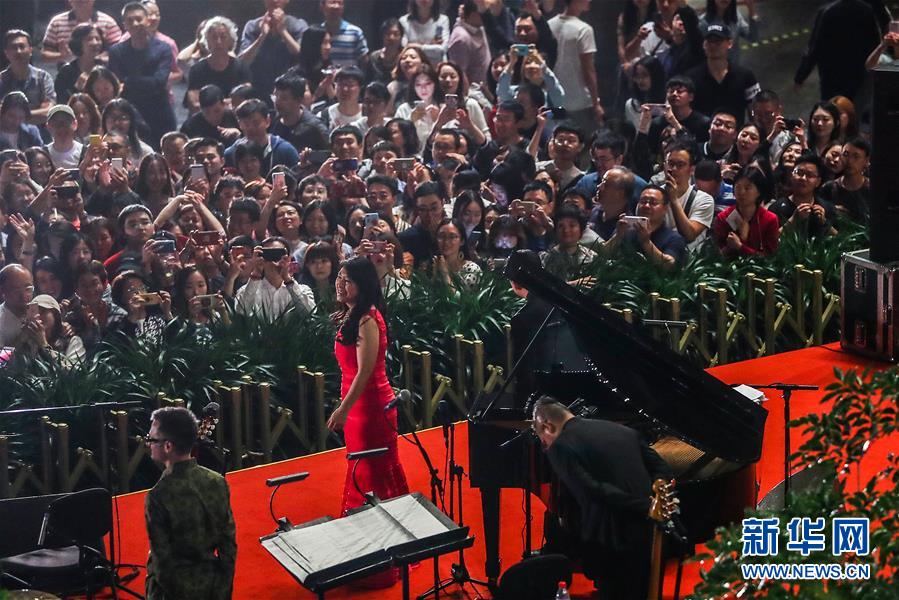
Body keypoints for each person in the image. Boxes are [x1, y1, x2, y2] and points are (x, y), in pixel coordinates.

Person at [531, 396, 672, 600]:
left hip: (609, 538)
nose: (546, 446)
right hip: (649, 531)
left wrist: (644, 505)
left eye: (543, 441)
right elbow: (661, 468)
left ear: (547, 427)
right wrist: (656, 500)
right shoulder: (623, 431)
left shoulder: (560, 446)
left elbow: (592, 491)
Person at [326, 258, 409, 551]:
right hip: (357, 406)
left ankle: (386, 546)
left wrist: (343, 409)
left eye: (347, 280)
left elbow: (365, 372)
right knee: (361, 467)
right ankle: (365, 543)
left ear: (363, 285)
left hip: (372, 408)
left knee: (373, 471)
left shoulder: (367, 320)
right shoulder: (351, 315)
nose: (340, 284)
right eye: (339, 277)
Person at [145, 406, 237, 600]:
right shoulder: (217, 481)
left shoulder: (158, 496)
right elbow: (228, 546)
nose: (148, 443)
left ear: (168, 446)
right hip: (213, 583)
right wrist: (222, 590)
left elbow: (162, 564)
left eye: (151, 439)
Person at [107, 2, 176, 148]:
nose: (135, 24)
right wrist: (146, 82)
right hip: (128, 113)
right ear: (124, 25)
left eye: (139, 19)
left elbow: (160, 82)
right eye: (130, 20)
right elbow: (116, 85)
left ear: (148, 20)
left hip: (159, 112)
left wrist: (128, 81)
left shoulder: (163, 49)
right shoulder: (116, 51)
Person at [794, 0, 880, 101]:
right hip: (860, 75)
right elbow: (876, 44)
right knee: (859, 105)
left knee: (832, 107)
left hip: (832, 76)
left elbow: (815, 47)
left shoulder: (827, 12)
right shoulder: (866, 10)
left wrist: (801, 76)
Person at [685, 24, 760, 124]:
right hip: (701, 132)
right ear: (704, 44)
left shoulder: (745, 76)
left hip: (735, 132)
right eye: (709, 41)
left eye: (718, 41)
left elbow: (755, 110)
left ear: (729, 44)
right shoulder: (690, 78)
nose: (713, 45)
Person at [549, 0, 604, 135]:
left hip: (553, 98)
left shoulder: (549, 25)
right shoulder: (583, 29)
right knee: (583, 140)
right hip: (579, 101)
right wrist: (596, 103)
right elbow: (588, 69)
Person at [239, 0, 307, 98]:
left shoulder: (298, 24)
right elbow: (242, 61)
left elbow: (304, 56)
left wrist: (283, 31)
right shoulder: (252, 26)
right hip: (258, 90)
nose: (275, 1)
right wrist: (262, 36)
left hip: (289, 91)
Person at [185, 17, 251, 113]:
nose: (218, 42)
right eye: (214, 37)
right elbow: (194, 104)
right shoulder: (196, 70)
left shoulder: (241, 67)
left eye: (223, 37)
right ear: (207, 41)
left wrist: (213, 105)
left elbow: (246, 99)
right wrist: (225, 104)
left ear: (230, 41)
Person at [713, 165, 779, 256]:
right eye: (737, 187)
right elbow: (717, 256)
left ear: (759, 191)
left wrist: (740, 246)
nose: (741, 192)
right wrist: (732, 245)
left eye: (747, 188)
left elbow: (770, 257)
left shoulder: (770, 219)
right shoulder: (723, 217)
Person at [41, 0, 122, 64]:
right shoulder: (57, 22)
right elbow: (44, 55)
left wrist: (97, 58)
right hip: (67, 74)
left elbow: (120, 52)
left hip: (101, 75)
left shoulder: (108, 22)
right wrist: (62, 56)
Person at [0, 31, 56, 124]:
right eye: (14, 47)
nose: (18, 51)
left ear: (30, 50)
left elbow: (48, 113)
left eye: (22, 47)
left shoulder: (43, 78)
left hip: (39, 132)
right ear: (6, 53)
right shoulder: (1, 80)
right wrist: (35, 114)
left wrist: (10, 115)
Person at [819, 136, 870, 224]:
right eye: (845, 154)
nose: (849, 161)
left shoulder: (873, 189)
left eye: (856, 156)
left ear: (866, 161)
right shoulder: (829, 188)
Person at [53, 23, 105, 104]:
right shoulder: (66, 72)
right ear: (78, 43)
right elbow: (62, 103)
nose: (95, 43)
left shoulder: (106, 67)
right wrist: (77, 89)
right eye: (89, 39)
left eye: (98, 39)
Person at [447, 1, 491, 87]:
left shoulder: (479, 27)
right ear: (473, 15)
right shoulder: (461, 38)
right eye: (484, 13)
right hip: (473, 90)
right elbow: (459, 72)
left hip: (486, 88)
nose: (487, 15)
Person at [320, 0, 369, 68]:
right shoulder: (316, 33)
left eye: (340, 3)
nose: (336, 6)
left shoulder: (355, 32)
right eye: (332, 2)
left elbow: (364, 60)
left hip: (350, 74)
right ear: (322, 6)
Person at [399, 0, 450, 65]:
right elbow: (404, 48)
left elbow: (442, 49)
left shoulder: (443, 20)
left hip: (437, 66)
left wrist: (417, 46)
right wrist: (431, 47)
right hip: (412, 66)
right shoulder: (404, 21)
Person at [0, 264, 34, 347]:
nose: (24, 296)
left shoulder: (40, 309)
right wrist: (23, 336)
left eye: (28, 289)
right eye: (16, 291)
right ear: (3, 291)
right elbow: (2, 355)